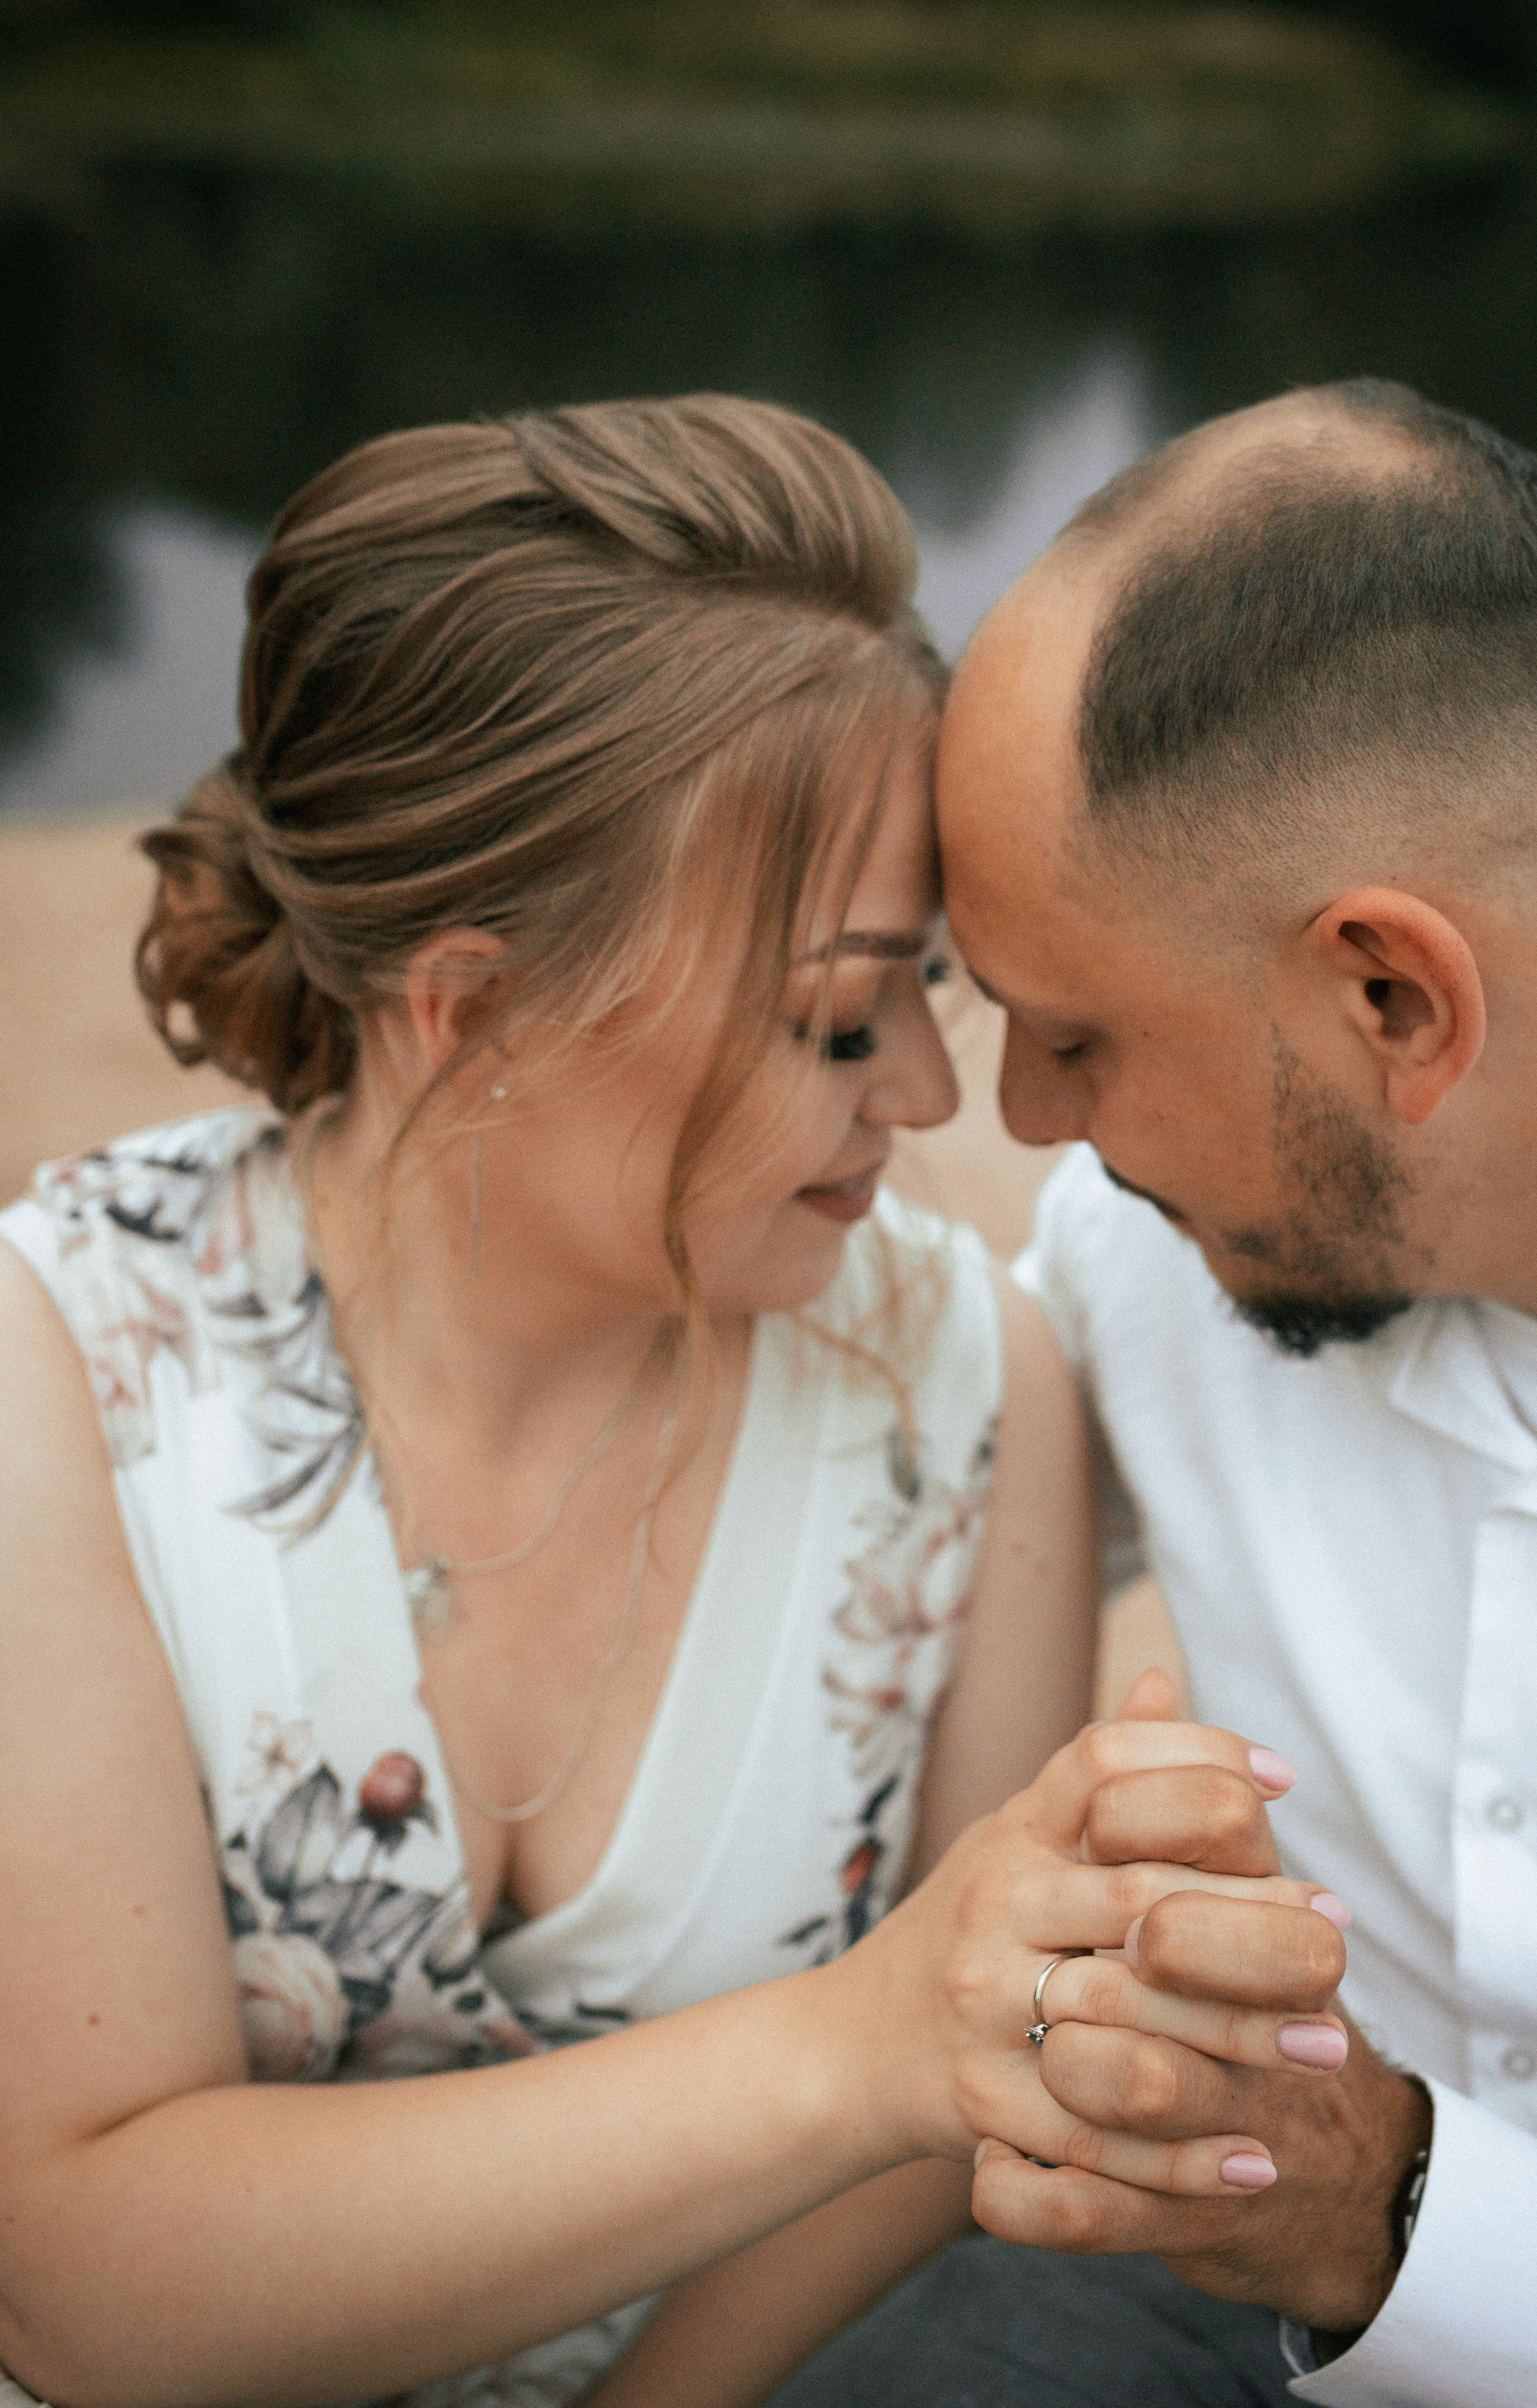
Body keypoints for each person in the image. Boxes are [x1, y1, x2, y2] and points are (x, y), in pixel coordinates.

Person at [0, 395, 1352, 2408]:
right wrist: (862, 2041)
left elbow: (930, 2152)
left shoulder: (970, 1378)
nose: (922, 1095)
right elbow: (90, 2286)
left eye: (930, 988)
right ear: (474, 1013)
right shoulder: (57, 1378)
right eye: (830, 1015)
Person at [770, 379, 1537, 2404]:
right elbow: (834, 1498)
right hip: (1214, 2307)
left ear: (1394, 999)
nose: (1020, 1119)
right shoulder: (1155, 1253)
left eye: (1076, 1036)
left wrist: (1393, 2217)